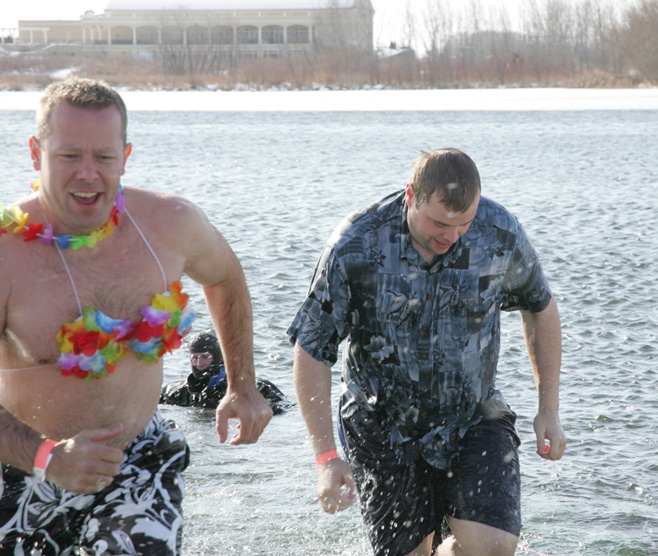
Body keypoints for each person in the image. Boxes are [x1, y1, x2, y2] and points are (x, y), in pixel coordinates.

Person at [0, 77, 273, 555]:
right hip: (21, 466)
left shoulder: (169, 224)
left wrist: (242, 384)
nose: (88, 173)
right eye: (69, 156)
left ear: (125, 156)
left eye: (103, 157)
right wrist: (47, 457)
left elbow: (225, 278)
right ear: (34, 152)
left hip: (139, 462)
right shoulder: (6, 254)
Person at [289, 147, 567, 556]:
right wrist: (327, 457)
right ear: (411, 195)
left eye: (463, 224)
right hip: (383, 425)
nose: (451, 236)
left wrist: (549, 408)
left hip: (473, 416)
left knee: (492, 548)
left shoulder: (498, 232)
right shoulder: (357, 243)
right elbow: (312, 348)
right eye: (439, 222)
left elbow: (540, 308)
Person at [161, 330, 293, 414]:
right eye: (195, 358)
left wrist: (263, 409)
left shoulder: (252, 387)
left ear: (218, 358)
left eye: (205, 357)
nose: (199, 364)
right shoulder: (180, 392)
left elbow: (286, 407)